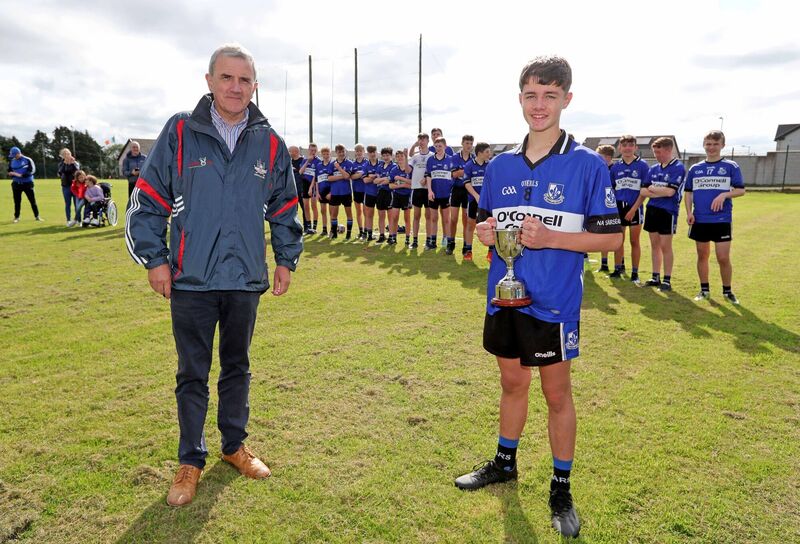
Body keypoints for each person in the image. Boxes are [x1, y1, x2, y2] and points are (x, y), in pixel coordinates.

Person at [125, 43, 303, 508]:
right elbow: (147, 200)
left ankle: (233, 447)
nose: (235, 87)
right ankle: (190, 461)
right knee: (192, 373)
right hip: (191, 280)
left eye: (244, 80)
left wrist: (286, 258)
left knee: (238, 367)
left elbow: (285, 206)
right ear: (209, 81)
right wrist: (155, 259)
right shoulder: (181, 131)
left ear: (254, 86)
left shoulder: (270, 142)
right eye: (227, 78)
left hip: (245, 278)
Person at [454, 56, 622, 539]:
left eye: (550, 95)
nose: (539, 104)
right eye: (531, 94)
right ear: (520, 99)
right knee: (511, 383)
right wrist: (486, 233)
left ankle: (561, 485)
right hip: (504, 298)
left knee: (556, 393)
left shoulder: (587, 165)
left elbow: (610, 239)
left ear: (567, 98)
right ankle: (505, 463)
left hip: (554, 303)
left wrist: (551, 239)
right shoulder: (501, 164)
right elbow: (488, 223)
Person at [684, 130, 745, 304]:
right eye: (708, 144)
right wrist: (689, 212)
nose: (711, 148)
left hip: (721, 219)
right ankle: (704, 290)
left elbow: (741, 190)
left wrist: (724, 195)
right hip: (700, 219)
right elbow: (688, 193)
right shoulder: (695, 168)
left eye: (715, 144)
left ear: (722, 145)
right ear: (704, 145)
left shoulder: (731, 166)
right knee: (702, 255)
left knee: (723, 257)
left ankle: (728, 291)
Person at [641, 137, 685, 291]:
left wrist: (652, 189)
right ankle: (655, 276)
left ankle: (667, 280)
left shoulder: (678, 167)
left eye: (658, 152)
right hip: (652, 210)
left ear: (669, 150)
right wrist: (658, 191)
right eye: (655, 152)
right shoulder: (653, 169)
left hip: (668, 211)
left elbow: (670, 192)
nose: (656, 155)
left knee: (666, 246)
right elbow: (642, 190)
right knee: (654, 245)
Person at [609, 135, 650, 283]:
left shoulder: (643, 165)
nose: (627, 148)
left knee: (634, 241)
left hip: (635, 207)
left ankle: (635, 273)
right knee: (618, 240)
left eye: (630, 145)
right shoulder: (615, 167)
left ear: (635, 147)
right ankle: (618, 269)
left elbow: (644, 191)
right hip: (618, 207)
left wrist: (633, 209)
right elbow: (612, 190)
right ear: (619, 148)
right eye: (624, 145)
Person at [424, 137, 455, 251]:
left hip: (446, 194)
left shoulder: (451, 160)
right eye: (436, 146)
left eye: (440, 146)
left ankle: (446, 240)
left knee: (446, 219)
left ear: (445, 147)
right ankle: (432, 242)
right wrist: (429, 191)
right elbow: (428, 176)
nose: (438, 148)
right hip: (434, 194)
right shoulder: (430, 160)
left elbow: (453, 176)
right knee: (433, 218)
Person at [463, 142, 492, 261]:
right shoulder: (469, 165)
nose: (489, 154)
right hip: (474, 200)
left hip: (488, 202)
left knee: (490, 225)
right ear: (479, 153)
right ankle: (468, 250)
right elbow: (466, 183)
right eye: (487, 152)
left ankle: (491, 252)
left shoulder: (490, 165)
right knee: (471, 224)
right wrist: (476, 196)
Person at [449, 135, 475, 255]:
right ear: (462, 143)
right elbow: (454, 174)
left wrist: (462, 172)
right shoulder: (455, 157)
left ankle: (466, 246)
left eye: (471, 143)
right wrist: (468, 171)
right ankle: (451, 243)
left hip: (468, 191)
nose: (469, 146)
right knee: (453, 219)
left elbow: (466, 174)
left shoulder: (474, 157)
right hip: (456, 190)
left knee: (466, 221)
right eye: (467, 143)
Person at [409, 133, 432, 249]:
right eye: (420, 139)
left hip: (427, 190)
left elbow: (434, 171)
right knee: (416, 216)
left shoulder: (432, 156)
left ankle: (428, 241)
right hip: (417, 189)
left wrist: (426, 178)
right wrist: (413, 146)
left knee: (428, 216)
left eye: (424, 139)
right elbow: (408, 169)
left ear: (428, 141)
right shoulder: (415, 156)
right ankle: (415, 241)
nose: (422, 141)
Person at [594, 145, 615, 273]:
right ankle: (604, 264)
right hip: (601, 207)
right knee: (603, 235)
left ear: (606, 157)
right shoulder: (601, 169)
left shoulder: (614, 169)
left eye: (599, 156)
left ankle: (620, 265)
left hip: (614, 207)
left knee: (616, 237)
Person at [8, 146, 42, 223]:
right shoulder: (12, 161)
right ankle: (16, 217)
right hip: (16, 184)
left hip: (27, 184)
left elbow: (32, 170)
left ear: (18, 153)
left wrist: (20, 175)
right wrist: (11, 173)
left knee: (32, 201)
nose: (13, 157)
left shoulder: (27, 160)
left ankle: (37, 216)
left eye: (14, 155)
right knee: (17, 201)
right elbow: (9, 170)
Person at [328, 144, 354, 240]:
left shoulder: (349, 163)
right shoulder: (332, 164)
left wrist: (339, 168)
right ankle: (334, 233)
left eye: (343, 151)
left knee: (349, 214)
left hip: (346, 192)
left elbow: (348, 177)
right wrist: (342, 175)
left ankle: (348, 234)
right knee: (334, 214)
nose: (341, 153)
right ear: (336, 153)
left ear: (345, 152)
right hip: (335, 192)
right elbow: (329, 178)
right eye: (339, 152)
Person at [388, 149, 413, 246]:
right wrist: (402, 185)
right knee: (394, 218)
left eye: (402, 156)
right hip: (396, 195)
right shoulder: (394, 170)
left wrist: (401, 179)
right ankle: (393, 238)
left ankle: (407, 239)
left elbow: (412, 184)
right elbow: (390, 185)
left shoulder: (410, 168)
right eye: (398, 157)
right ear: (395, 158)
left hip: (407, 196)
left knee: (407, 219)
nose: (400, 158)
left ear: (405, 157)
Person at [373, 147, 395, 244]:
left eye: (387, 155)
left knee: (390, 216)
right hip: (380, 193)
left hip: (389, 193)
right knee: (381, 215)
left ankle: (391, 236)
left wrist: (382, 179)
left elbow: (389, 180)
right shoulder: (379, 166)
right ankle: (382, 235)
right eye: (384, 155)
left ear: (391, 156)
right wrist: (384, 179)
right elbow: (375, 181)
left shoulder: (394, 166)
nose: (386, 157)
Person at [298, 143, 321, 234]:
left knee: (313, 206)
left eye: (315, 150)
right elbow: (300, 172)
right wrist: (308, 161)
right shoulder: (304, 160)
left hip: (313, 184)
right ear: (308, 150)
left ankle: (314, 227)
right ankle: (308, 227)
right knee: (306, 206)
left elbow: (316, 176)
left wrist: (311, 188)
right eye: (311, 150)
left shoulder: (318, 161)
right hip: (304, 184)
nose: (313, 152)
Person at [362, 145, 380, 242]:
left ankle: (382, 235)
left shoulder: (381, 164)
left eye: (374, 152)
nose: (372, 154)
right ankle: (369, 235)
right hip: (369, 193)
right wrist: (374, 177)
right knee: (369, 214)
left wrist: (371, 177)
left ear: (377, 152)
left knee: (381, 214)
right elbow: (365, 180)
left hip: (381, 193)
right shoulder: (365, 165)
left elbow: (383, 177)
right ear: (367, 154)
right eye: (370, 152)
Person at [57, 148, 80, 226]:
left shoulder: (75, 163)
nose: (67, 155)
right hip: (65, 186)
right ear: (63, 156)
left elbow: (77, 172)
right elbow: (60, 172)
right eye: (65, 154)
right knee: (68, 204)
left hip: (75, 186)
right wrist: (65, 163)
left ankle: (78, 220)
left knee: (77, 204)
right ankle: (68, 220)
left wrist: (72, 163)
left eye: (68, 154)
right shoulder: (61, 164)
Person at [350, 143, 368, 240]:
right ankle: (361, 231)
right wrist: (360, 175)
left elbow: (368, 175)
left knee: (366, 212)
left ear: (363, 152)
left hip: (366, 190)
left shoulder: (367, 163)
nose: (359, 152)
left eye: (360, 151)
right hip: (356, 190)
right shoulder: (353, 164)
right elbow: (351, 176)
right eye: (357, 151)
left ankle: (365, 231)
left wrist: (358, 175)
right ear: (355, 152)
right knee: (358, 212)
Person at [288, 146, 308, 229]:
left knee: (304, 208)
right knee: (293, 210)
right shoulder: (289, 161)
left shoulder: (303, 161)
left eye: (290, 151)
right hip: (292, 190)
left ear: (295, 152)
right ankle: (294, 226)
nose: (288, 153)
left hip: (302, 188)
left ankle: (307, 226)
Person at [315, 146, 333, 236]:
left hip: (330, 191)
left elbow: (334, 180)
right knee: (323, 211)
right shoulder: (318, 165)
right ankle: (324, 229)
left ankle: (332, 230)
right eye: (324, 154)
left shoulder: (333, 164)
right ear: (321, 154)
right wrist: (317, 193)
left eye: (327, 154)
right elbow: (317, 180)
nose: (326, 155)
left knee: (331, 211)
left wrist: (331, 192)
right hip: (321, 191)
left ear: (330, 154)